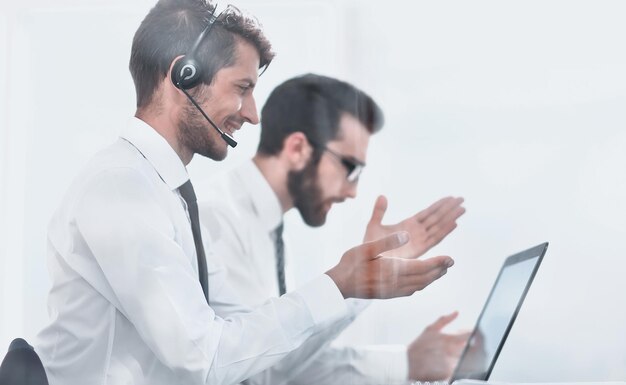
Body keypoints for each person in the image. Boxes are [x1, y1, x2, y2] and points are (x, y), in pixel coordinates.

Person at [35, 1, 455, 384]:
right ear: (184, 76)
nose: (253, 115)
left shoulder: (172, 195)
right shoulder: (121, 188)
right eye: (242, 88)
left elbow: (254, 350)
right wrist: (340, 284)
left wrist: (352, 283)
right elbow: (205, 358)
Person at [199, 74, 468, 384]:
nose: (352, 192)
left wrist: (405, 363)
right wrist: (356, 285)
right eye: (350, 167)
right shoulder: (216, 219)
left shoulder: (268, 226)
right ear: (298, 148)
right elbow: (260, 372)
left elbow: (283, 364)